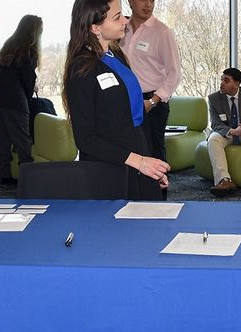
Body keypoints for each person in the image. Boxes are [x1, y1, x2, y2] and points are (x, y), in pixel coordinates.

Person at [63, 0, 169, 200]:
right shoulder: (82, 68)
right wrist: (139, 162)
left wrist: (149, 162)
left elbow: (135, 114)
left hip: (137, 153)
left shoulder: (116, 56)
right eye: (117, 17)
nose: (125, 21)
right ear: (95, 27)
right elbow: (85, 139)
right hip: (109, 166)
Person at [121, 0, 181, 169]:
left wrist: (153, 101)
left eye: (152, 0)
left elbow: (174, 73)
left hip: (152, 102)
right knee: (128, 152)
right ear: (131, 1)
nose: (148, 4)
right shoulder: (121, 28)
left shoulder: (162, 32)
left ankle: (158, 195)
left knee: (153, 153)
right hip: (124, 99)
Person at [0, 15, 42, 186]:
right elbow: (27, 78)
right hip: (15, 100)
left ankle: (4, 176)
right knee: (22, 140)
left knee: (1, 140)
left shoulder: (9, 44)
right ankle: (27, 177)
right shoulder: (30, 49)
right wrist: (34, 88)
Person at [207, 68, 241, 197]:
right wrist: (232, 131)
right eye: (221, 79)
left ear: (236, 84)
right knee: (213, 139)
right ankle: (224, 181)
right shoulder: (213, 98)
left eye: (226, 80)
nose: (221, 83)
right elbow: (215, 124)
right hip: (226, 133)